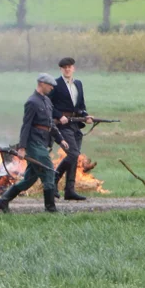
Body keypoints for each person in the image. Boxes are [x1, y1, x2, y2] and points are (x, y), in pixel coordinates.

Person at [0, 74, 65, 214]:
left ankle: (3, 201)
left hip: (43, 142)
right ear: (41, 84)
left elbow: (50, 124)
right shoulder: (32, 102)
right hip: (34, 144)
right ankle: (50, 209)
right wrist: (22, 147)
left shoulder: (47, 101)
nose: (52, 88)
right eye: (49, 85)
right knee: (49, 171)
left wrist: (60, 139)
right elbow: (26, 126)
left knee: (29, 180)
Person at [51, 57, 93, 202]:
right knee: (73, 153)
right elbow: (49, 105)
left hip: (76, 124)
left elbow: (81, 105)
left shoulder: (78, 84)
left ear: (73, 68)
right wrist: (58, 115)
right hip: (62, 125)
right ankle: (54, 178)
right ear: (61, 69)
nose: (67, 69)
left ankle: (69, 190)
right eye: (64, 67)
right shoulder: (55, 84)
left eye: (69, 67)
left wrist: (86, 116)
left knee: (75, 158)